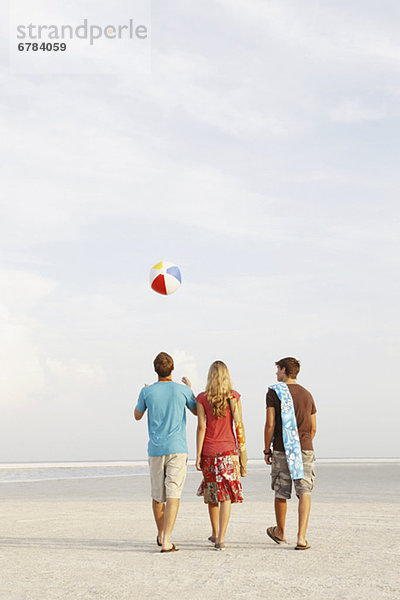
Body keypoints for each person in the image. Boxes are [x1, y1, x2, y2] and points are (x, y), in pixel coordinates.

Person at [134, 351, 197, 553]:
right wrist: (189, 390)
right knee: (173, 493)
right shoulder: (182, 390)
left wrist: (145, 394)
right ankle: (167, 538)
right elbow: (196, 410)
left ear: (155, 370)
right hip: (177, 448)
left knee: (157, 495)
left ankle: (161, 534)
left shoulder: (147, 392)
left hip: (155, 449)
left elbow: (137, 415)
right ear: (172, 369)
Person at [264, 357, 317, 550]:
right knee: (304, 491)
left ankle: (280, 531)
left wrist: (266, 449)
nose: (276, 373)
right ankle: (301, 537)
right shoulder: (307, 395)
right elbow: (313, 427)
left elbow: (270, 424)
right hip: (304, 446)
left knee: (281, 491)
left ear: (284, 369)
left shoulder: (274, 392)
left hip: (281, 447)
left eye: (278, 369)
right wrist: (303, 442)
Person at [195, 361, 245, 551]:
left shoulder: (202, 398)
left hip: (209, 450)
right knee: (227, 497)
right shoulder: (234, 396)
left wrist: (198, 455)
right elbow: (239, 426)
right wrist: (242, 452)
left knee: (213, 495)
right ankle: (221, 538)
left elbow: (201, 427)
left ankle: (215, 532)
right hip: (229, 451)